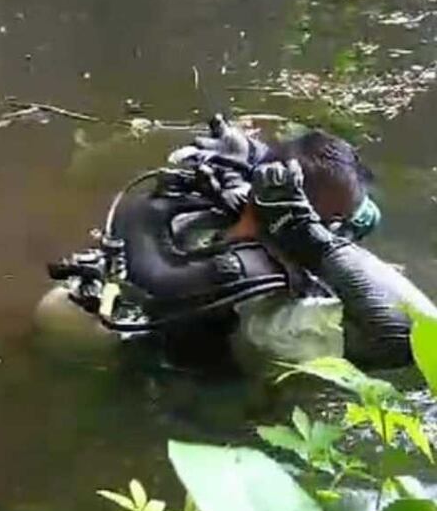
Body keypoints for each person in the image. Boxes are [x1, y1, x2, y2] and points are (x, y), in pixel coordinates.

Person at [38, 116, 437, 371]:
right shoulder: (263, 313)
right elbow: (410, 335)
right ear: (292, 220)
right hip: (143, 347)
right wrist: (317, 246)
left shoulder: (231, 207)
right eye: (332, 225)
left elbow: (360, 212)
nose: (343, 231)